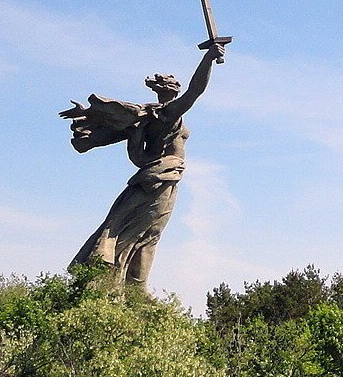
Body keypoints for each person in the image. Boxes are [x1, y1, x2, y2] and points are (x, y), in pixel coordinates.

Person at [61, 38, 223, 285]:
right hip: (160, 178)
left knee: (145, 232)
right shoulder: (166, 114)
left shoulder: (146, 115)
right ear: (171, 90)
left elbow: (113, 130)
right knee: (140, 231)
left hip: (159, 176)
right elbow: (195, 91)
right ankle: (110, 284)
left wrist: (86, 113)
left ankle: (131, 287)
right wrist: (208, 58)